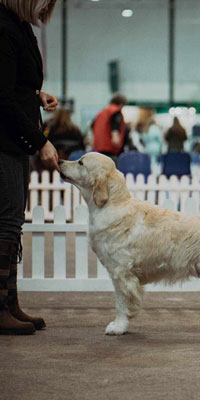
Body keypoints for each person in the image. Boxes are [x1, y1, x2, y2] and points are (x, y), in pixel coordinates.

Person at [0, 0, 59, 335]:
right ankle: (0, 306)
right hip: (4, 142)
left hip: (15, 143)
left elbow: (15, 84)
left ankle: (9, 302)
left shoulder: (20, 27)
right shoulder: (4, 28)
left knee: (12, 224)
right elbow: (2, 99)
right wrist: (41, 141)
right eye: (43, 1)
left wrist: (36, 94)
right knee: (5, 225)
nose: (46, 7)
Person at [92, 93, 127, 161]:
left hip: (98, 150)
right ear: (121, 104)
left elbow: (92, 126)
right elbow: (115, 130)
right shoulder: (115, 112)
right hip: (110, 151)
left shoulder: (101, 112)